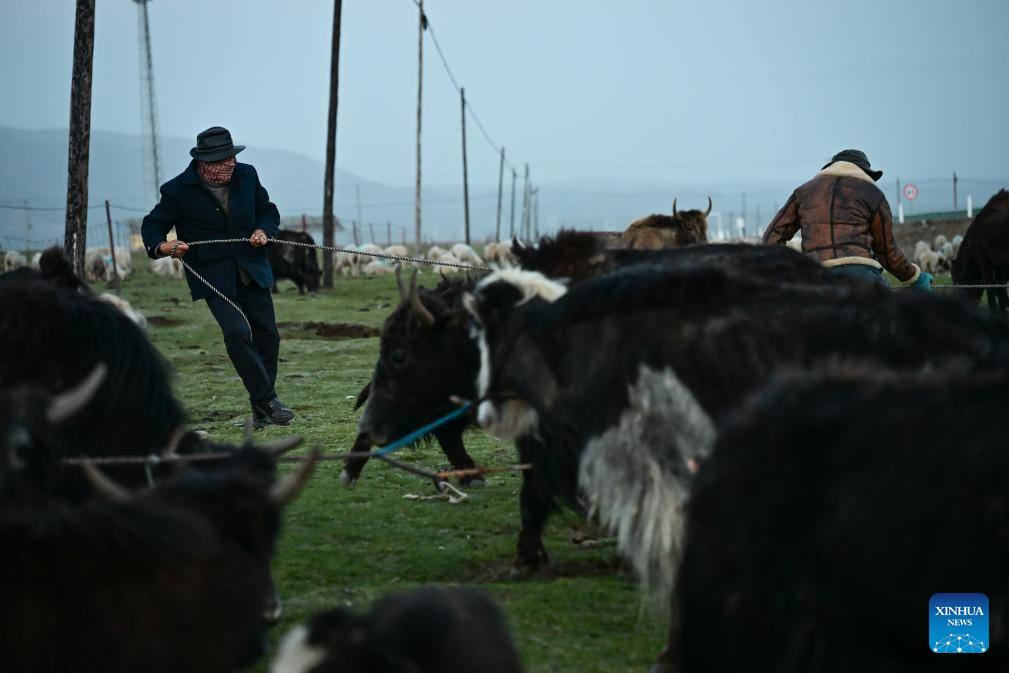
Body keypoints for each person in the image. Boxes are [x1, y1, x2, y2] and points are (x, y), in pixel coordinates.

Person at [142, 126, 295, 428]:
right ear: (204, 163)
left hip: (252, 268)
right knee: (237, 333)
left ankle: (262, 408)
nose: (230, 163)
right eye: (222, 160)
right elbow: (152, 226)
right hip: (212, 275)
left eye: (231, 157)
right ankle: (267, 400)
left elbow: (268, 211)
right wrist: (163, 246)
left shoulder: (247, 175)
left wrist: (262, 230)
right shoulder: (177, 190)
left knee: (268, 336)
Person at [762, 149, 932, 288]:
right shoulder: (873, 194)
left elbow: (771, 238)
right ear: (865, 172)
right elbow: (887, 253)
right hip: (863, 279)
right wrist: (914, 277)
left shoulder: (804, 191)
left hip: (815, 279)